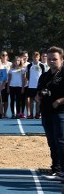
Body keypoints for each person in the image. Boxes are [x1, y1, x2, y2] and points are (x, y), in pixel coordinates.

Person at [36, 46, 64, 180]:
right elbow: (39, 90)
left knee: (61, 141)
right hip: (46, 112)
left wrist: (60, 100)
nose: (52, 61)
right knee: (52, 141)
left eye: (55, 59)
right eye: (49, 59)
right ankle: (56, 169)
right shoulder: (45, 75)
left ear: (62, 59)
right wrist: (38, 96)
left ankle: (63, 170)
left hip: (61, 112)